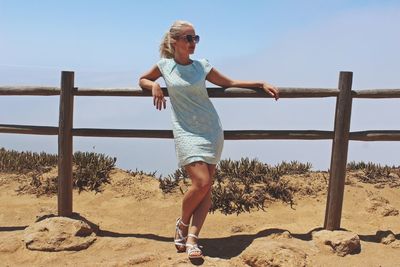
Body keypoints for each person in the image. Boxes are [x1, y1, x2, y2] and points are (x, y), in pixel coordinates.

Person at [139, 20, 279, 259]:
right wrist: (154, 85)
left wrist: (260, 83)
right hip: (185, 131)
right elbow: (142, 79)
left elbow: (230, 82)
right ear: (175, 42)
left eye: (196, 38)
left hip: (211, 130)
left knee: (206, 187)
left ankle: (193, 238)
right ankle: (182, 224)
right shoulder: (164, 66)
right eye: (188, 38)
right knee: (201, 182)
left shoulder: (201, 66)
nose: (193, 43)